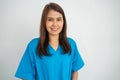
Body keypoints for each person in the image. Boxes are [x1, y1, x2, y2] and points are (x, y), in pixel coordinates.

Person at [15, 2, 84, 80]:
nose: (55, 24)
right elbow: (26, 75)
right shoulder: (34, 46)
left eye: (58, 19)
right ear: (44, 22)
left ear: (63, 22)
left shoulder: (71, 44)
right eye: (50, 20)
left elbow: (75, 70)